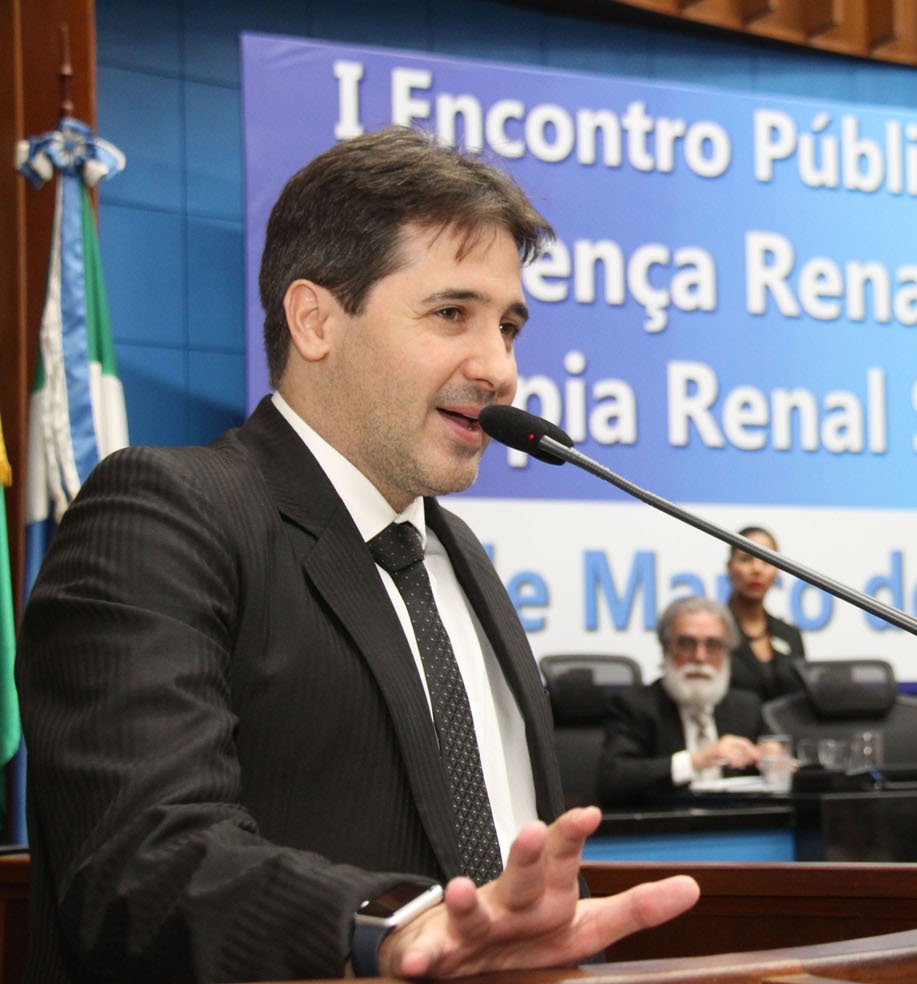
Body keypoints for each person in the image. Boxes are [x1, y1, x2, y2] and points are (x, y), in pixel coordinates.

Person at [16, 127, 696, 982]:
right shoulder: (167, 513)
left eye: (509, 326)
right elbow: (141, 858)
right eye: (451, 314)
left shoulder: (455, 553)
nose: (499, 368)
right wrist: (394, 929)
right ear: (315, 321)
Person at [597, 597, 764, 807]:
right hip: (665, 824)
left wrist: (774, 762)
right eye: (686, 643)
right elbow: (612, 780)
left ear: (727, 652)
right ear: (665, 649)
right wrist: (696, 761)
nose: (700, 657)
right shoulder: (635, 706)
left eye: (713, 645)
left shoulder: (747, 707)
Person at [725, 526, 807, 700]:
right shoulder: (713, 633)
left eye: (766, 560)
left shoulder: (790, 635)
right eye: (746, 559)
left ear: (777, 570)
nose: (757, 569)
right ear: (729, 567)